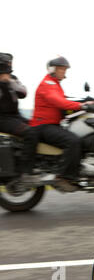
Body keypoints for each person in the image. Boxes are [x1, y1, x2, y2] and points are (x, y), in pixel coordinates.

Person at [30, 56, 86, 192]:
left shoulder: (54, 84)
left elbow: (63, 99)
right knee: (73, 141)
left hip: (51, 125)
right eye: (61, 68)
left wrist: (87, 100)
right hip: (43, 126)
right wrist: (82, 106)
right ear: (52, 69)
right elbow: (58, 102)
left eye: (65, 69)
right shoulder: (47, 84)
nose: (63, 71)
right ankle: (64, 178)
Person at [0, 53, 50, 184]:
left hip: (15, 115)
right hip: (2, 118)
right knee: (30, 133)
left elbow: (23, 93)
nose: (10, 65)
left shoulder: (13, 78)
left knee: (39, 127)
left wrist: (9, 82)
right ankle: (25, 172)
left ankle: (41, 163)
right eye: (8, 63)